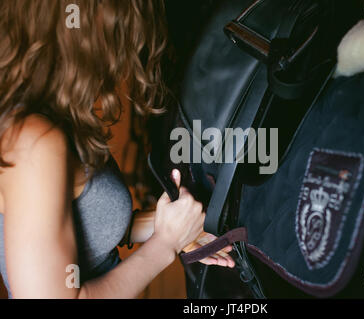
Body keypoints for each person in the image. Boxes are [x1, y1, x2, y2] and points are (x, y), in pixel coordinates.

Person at [0, 0, 233, 299]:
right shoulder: (32, 142)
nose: (121, 56)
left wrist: (175, 227)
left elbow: (83, 229)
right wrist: (165, 244)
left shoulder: (51, 118)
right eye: (116, 35)